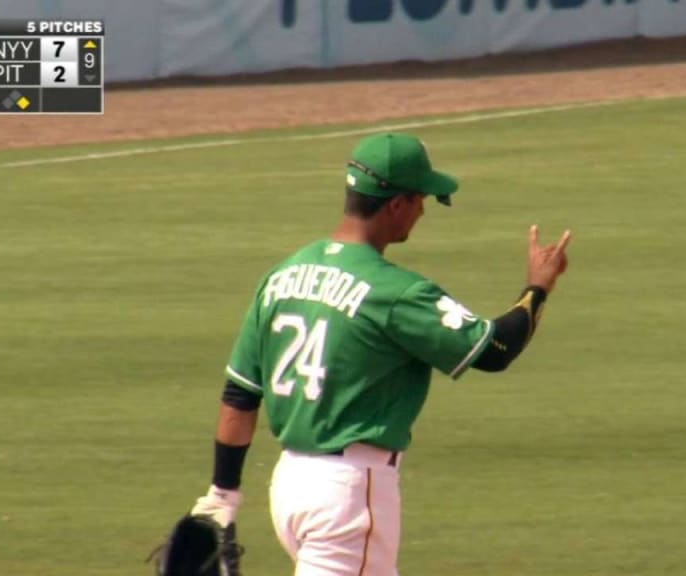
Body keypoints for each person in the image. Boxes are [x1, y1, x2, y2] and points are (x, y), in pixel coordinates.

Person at [181, 132, 570, 576]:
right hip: (346, 495)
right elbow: (495, 349)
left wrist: (224, 493)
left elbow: (240, 395)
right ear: (397, 204)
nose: (424, 210)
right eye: (422, 198)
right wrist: (538, 287)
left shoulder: (281, 276)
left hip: (290, 487)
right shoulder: (396, 293)